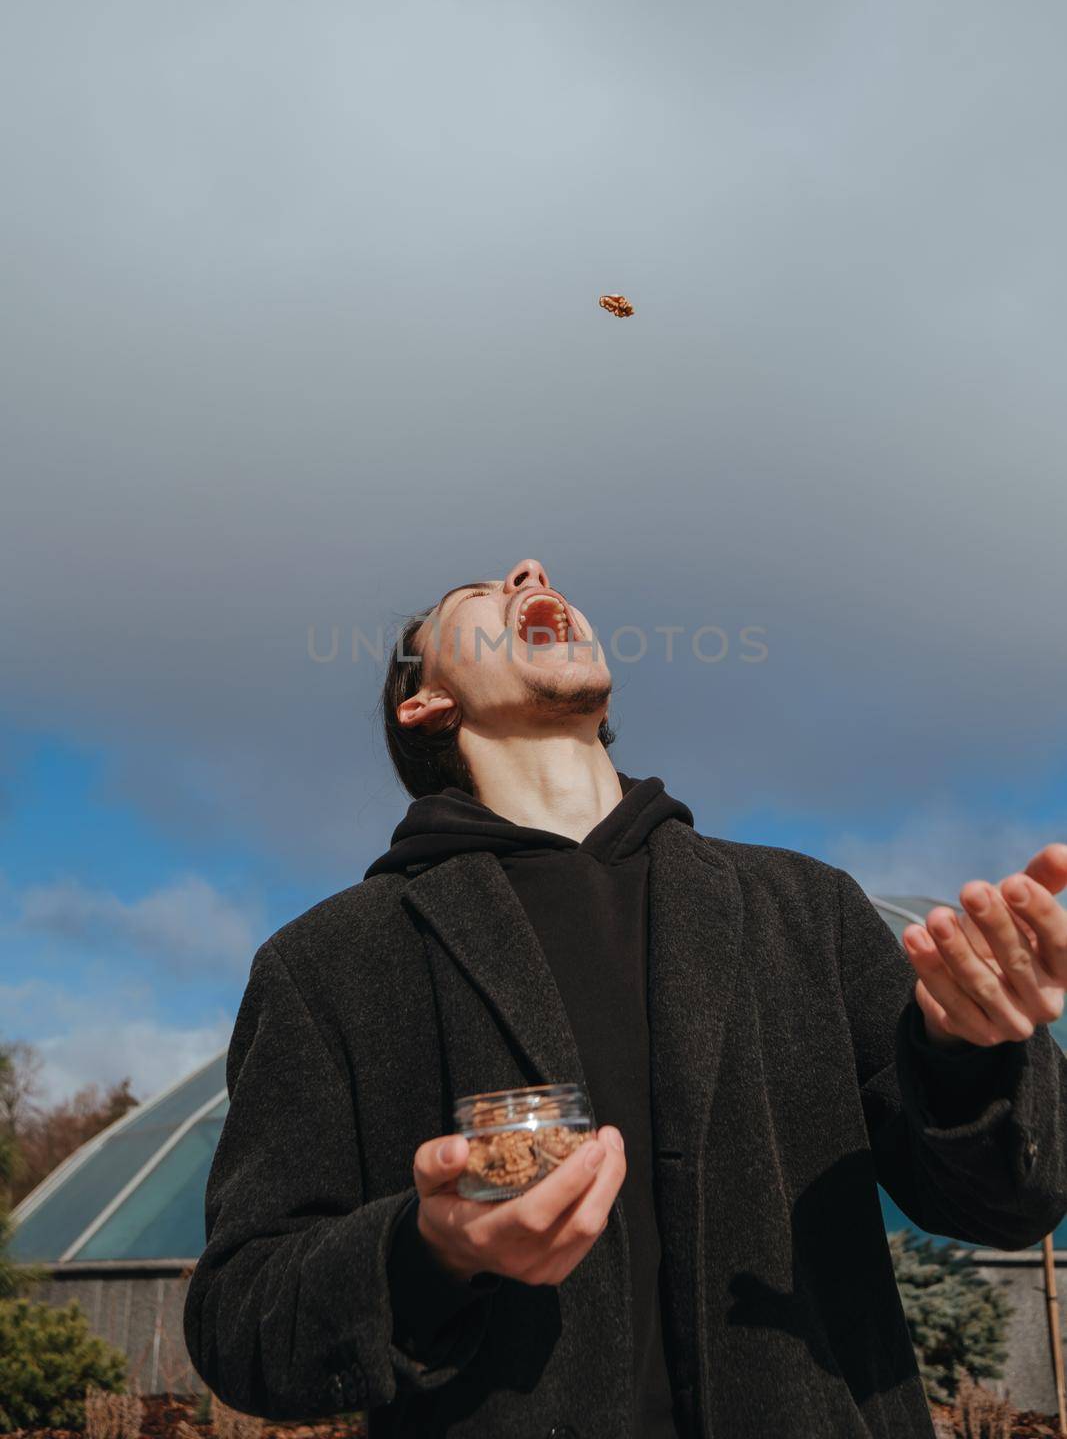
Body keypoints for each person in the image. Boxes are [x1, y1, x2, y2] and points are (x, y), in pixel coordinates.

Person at [184, 557, 1067, 1439]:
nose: (528, 568)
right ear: (425, 702)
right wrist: (429, 1251)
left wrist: (965, 1054)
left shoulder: (806, 906)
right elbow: (241, 1322)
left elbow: (1005, 1205)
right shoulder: (329, 961)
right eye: (475, 597)